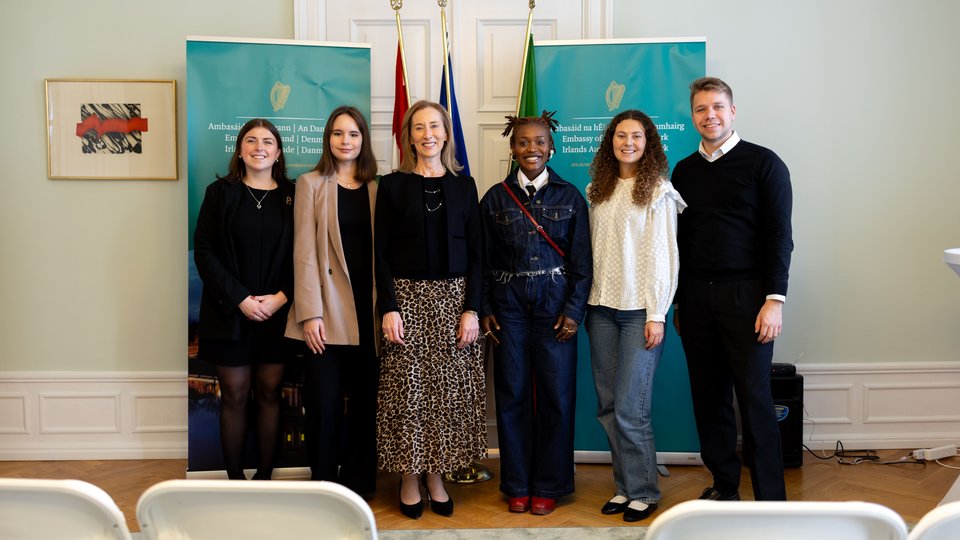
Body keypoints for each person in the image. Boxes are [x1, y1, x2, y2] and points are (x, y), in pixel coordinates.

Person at [671, 76, 793, 501]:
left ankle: (771, 501)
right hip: (697, 298)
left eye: (718, 107)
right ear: (693, 117)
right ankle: (725, 486)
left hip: (750, 298)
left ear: (733, 111)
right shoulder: (683, 171)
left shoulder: (765, 164)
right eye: (702, 109)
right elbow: (680, 242)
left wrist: (774, 302)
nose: (711, 116)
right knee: (709, 400)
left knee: (755, 402)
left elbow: (780, 236)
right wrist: (681, 303)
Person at [375, 100, 485, 519]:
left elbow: (478, 254)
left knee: (445, 395)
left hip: (455, 302)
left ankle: (436, 474)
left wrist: (472, 309)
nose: (427, 134)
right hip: (406, 301)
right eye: (418, 128)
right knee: (408, 394)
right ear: (409, 136)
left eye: (434, 126)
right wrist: (389, 307)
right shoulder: (392, 186)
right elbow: (380, 254)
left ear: (445, 133)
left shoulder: (464, 186)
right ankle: (408, 475)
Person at [480, 111, 592, 516]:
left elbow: (583, 263)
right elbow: (483, 261)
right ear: (512, 148)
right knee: (511, 394)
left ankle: (550, 483)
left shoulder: (571, 196)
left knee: (557, 396)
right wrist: (488, 307)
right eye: (523, 142)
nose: (532, 149)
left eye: (539, 141)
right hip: (509, 304)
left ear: (552, 146)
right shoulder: (494, 198)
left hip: (555, 303)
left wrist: (574, 311)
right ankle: (517, 483)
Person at [585, 110, 685, 522]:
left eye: (637, 136)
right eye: (621, 135)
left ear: (649, 142)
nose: (628, 142)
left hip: (639, 313)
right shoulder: (597, 190)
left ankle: (645, 490)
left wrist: (657, 313)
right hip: (600, 310)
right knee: (608, 407)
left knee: (631, 409)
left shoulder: (659, 191)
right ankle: (625, 489)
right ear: (611, 141)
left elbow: (665, 257)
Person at [194, 118, 296, 480]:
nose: (259, 147)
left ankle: (265, 477)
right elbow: (204, 252)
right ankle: (235, 480)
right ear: (239, 149)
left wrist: (281, 298)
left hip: (278, 315)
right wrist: (241, 299)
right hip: (229, 314)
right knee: (235, 396)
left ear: (278, 152)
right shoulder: (219, 192)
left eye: (267, 141)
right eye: (250, 141)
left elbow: (308, 255)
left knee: (269, 395)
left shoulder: (294, 195)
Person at [284, 106, 379, 495]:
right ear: (328, 140)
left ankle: (359, 485)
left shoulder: (378, 187)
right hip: (325, 312)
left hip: (368, 313)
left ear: (363, 140)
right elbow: (303, 252)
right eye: (338, 134)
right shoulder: (310, 184)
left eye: (353, 134)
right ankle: (322, 484)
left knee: (364, 406)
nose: (345, 141)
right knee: (322, 405)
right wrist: (310, 314)